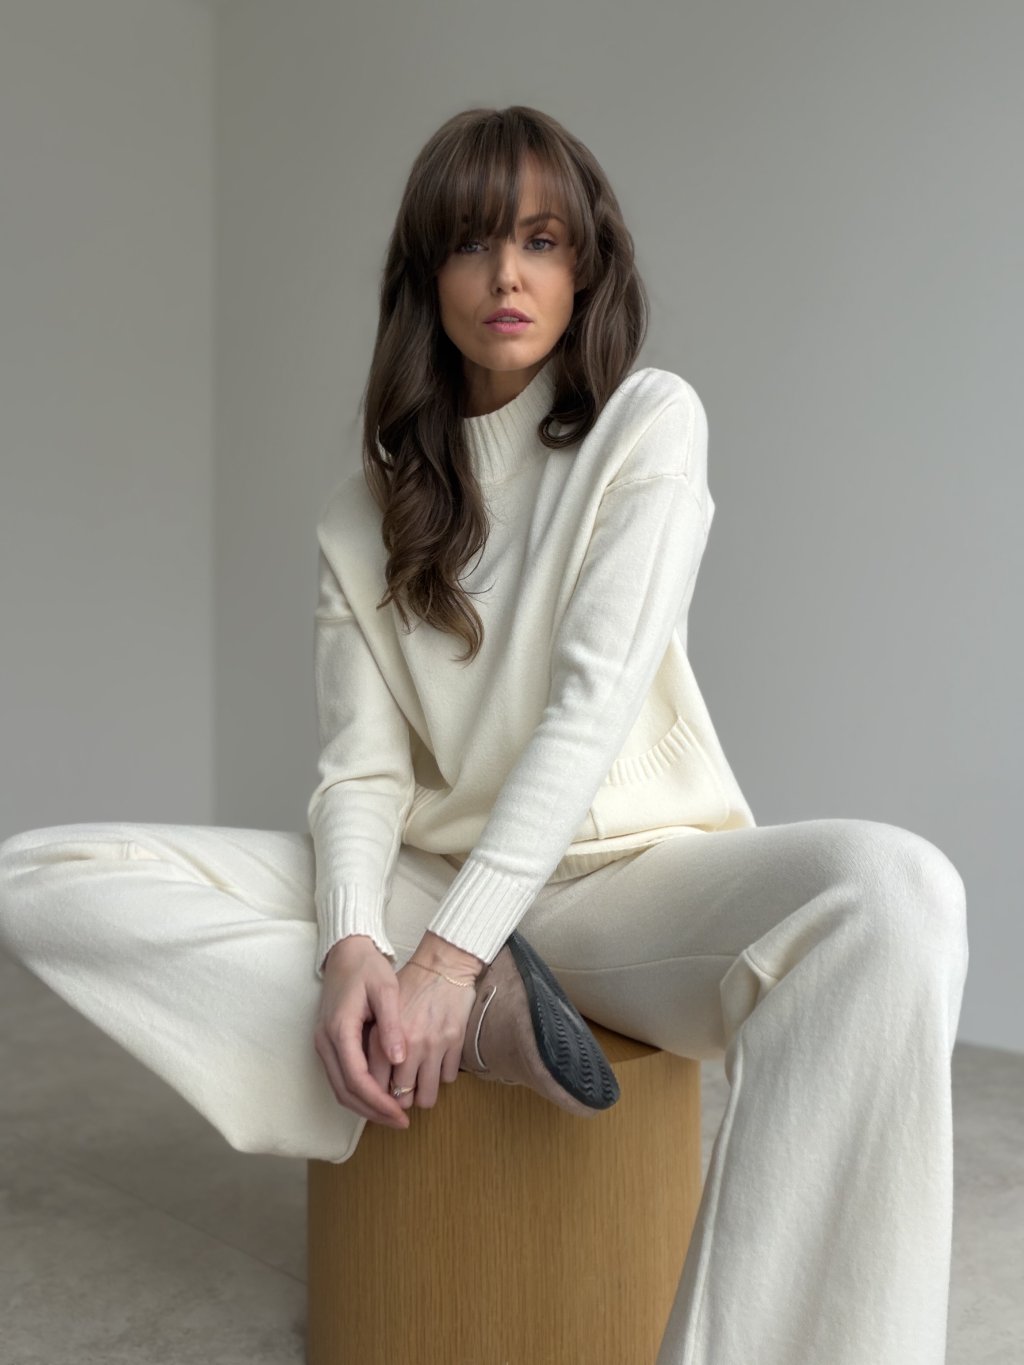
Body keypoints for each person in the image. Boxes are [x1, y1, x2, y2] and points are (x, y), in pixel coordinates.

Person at [0, 105, 968, 1365]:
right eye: (471, 243)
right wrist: (354, 945)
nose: (507, 275)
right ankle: (458, 1027)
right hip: (433, 881)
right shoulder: (361, 513)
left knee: (895, 892)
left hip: (628, 886)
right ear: (426, 276)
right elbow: (360, 773)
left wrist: (447, 960)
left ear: (584, 267)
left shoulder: (646, 423)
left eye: (542, 241)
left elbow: (590, 706)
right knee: (40, 877)